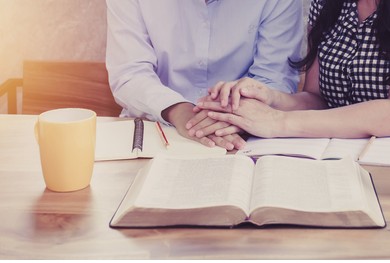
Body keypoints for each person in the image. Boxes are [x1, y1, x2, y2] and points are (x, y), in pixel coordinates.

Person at [105, 0, 303, 150]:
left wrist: (232, 115)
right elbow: (129, 73)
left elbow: (275, 79)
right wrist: (179, 112)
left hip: (246, 137)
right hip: (153, 131)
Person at [194, 0, 390, 139]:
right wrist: (269, 97)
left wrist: (278, 121)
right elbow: (317, 99)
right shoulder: (326, 5)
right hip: (331, 154)